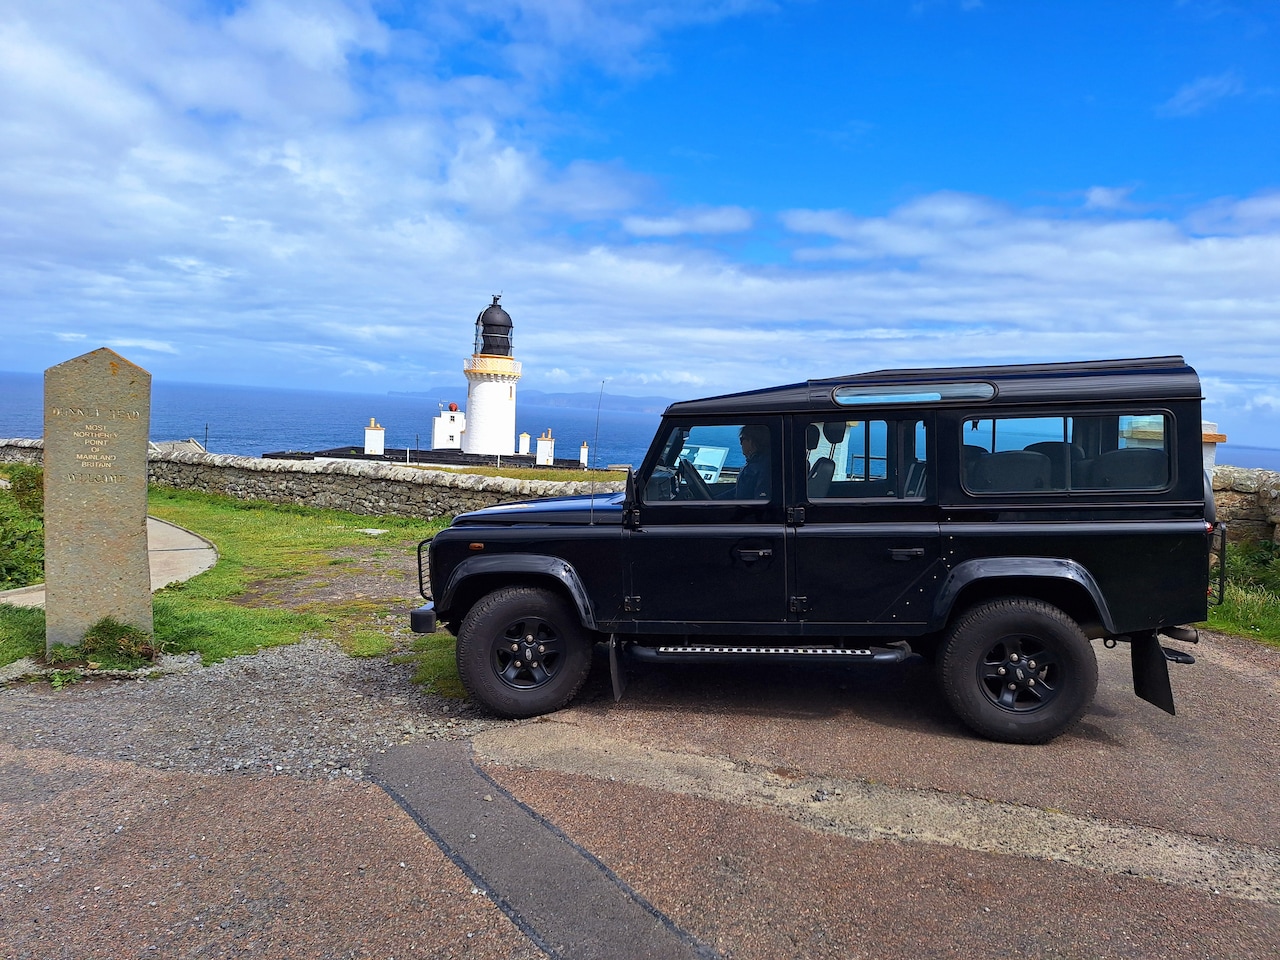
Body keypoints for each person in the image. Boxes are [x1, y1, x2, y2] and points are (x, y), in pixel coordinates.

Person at [735, 425, 771, 499]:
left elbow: (760, 501)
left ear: (751, 441)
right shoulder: (758, 463)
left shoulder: (762, 468)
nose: (740, 444)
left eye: (742, 439)